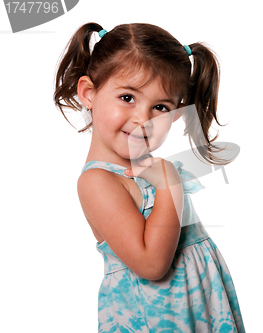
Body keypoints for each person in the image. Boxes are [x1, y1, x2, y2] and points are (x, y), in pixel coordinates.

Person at [53, 22, 245, 332]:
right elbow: (152, 264)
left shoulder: (151, 170)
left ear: (176, 115)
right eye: (127, 97)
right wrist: (169, 184)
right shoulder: (99, 182)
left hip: (201, 312)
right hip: (155, 321)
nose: (143, 119)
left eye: (160, 107)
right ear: (89, 93)